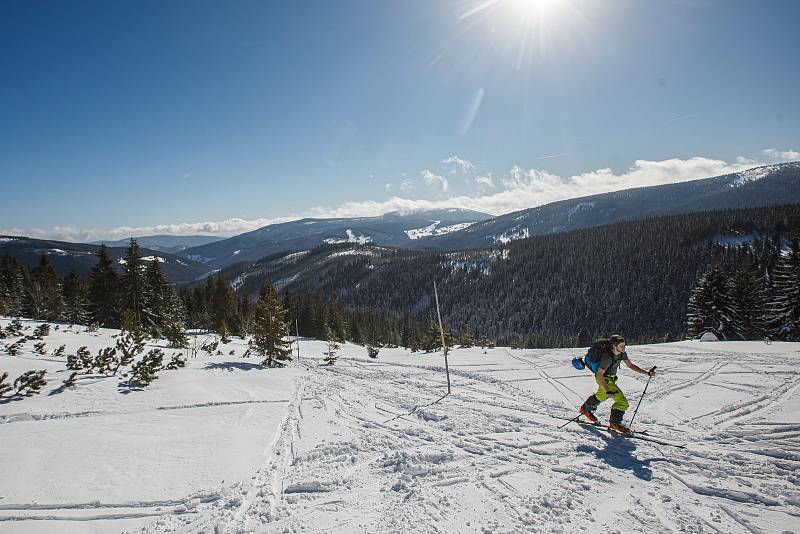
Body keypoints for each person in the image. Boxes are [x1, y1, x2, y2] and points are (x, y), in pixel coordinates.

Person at [578, 335, 655, 433]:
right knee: (622, 402)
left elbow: (630, 365)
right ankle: (614, 423)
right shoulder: (607, 357)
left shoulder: (622, 353)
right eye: (621, 345)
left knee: (601, 396)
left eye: (624, 345)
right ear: (614, 346)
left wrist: (646, 372)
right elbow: (599, 375)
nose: (624, 347)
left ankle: (585, 409)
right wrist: (607, 390)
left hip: (611, 379)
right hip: (604, 379)